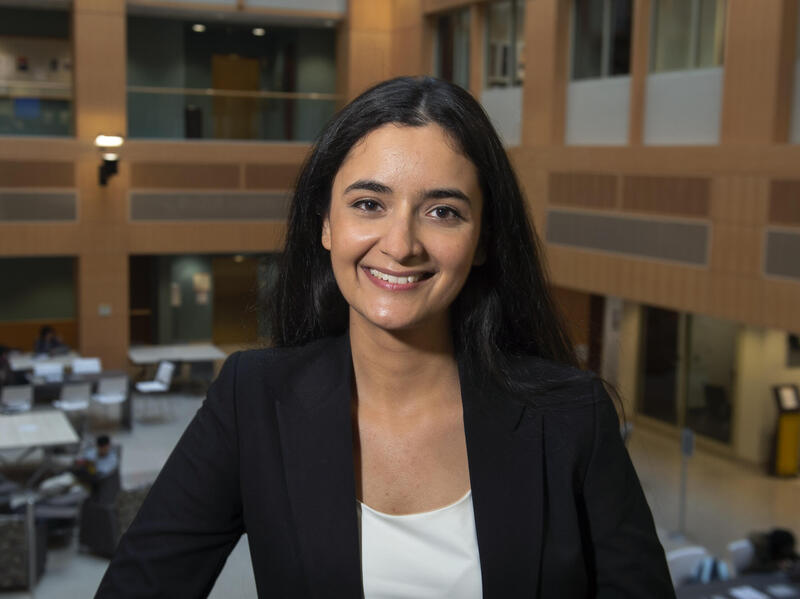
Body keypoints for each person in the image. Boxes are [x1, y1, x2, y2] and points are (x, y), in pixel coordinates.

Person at [96, 77, 674, 598]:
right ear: (326, 223)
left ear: (483, 241)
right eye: (369, 204)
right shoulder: (253, 399)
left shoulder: (571, 416)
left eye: (443, 212)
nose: (400, 245)